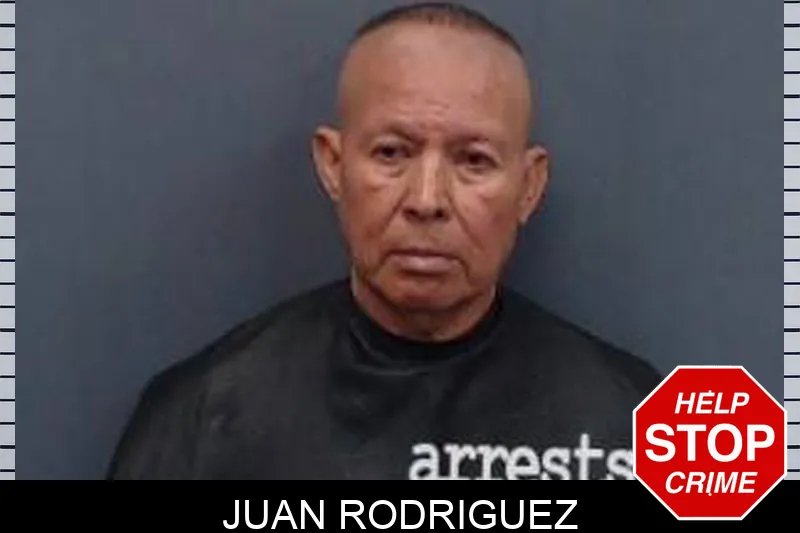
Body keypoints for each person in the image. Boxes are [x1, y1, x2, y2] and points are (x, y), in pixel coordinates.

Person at [106, 2, 662, 481]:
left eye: (474, 161)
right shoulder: (203, 417)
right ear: (333, 164)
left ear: (529, 186)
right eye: (392, 153)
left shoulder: (644, 420)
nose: (427, 199)